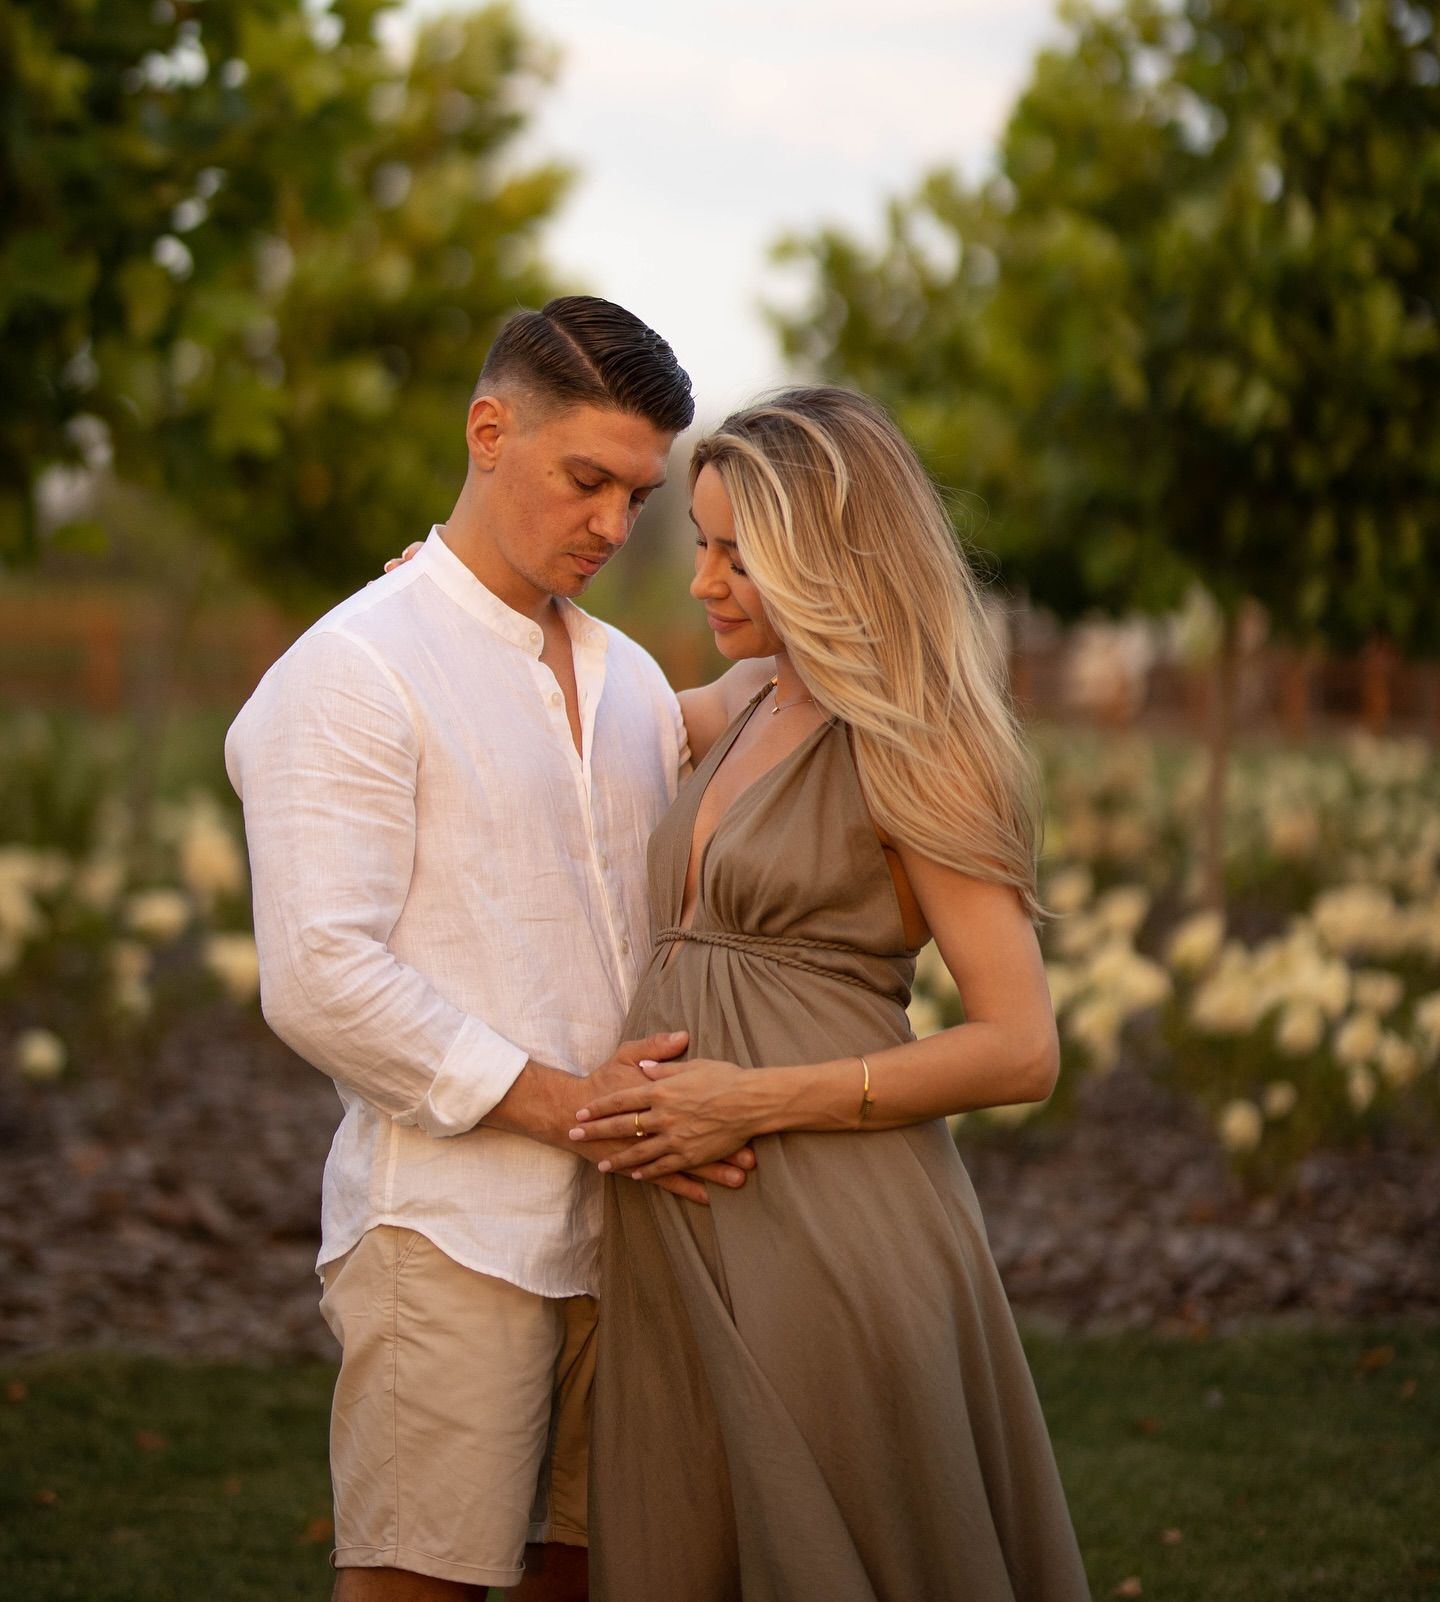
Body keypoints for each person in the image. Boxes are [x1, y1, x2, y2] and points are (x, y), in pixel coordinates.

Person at [225, 296, 759, 1602]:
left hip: (631, 1231)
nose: (613, 526)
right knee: (420, 1586)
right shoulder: (355, 669)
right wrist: (576, 1109)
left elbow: (766, 705)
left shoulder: (632, 679)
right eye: (586, 481)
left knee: (595, 1574)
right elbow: (322, 978)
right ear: (487, 432)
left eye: (638, 496)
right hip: (448, 1232)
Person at [567, 388, 1093, 1600]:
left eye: (737, 557)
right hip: (679, 1215)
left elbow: (1021, 1048)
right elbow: (565, 721)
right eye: (701, 543)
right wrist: (455, 604)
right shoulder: (747, 698)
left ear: (829, 558)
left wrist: (745, 1103)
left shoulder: (914, 741)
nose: (702, 582)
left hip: (826, 1223)